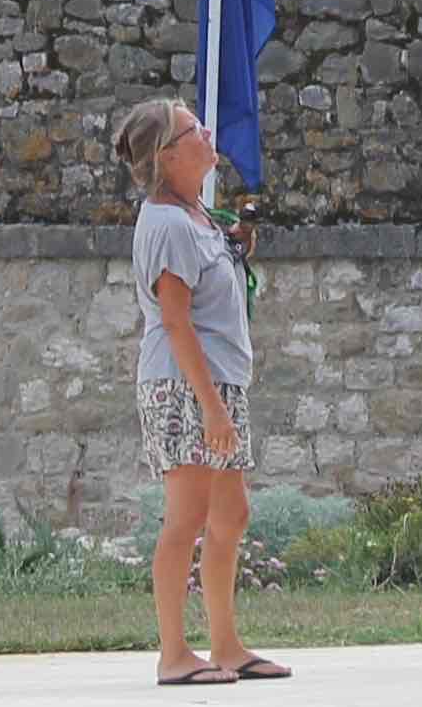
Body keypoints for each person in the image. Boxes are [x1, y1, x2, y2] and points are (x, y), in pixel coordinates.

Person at [116, 98, 287, 683]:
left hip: (216, 384)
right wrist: (212, 409)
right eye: (193, 130)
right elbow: (175, 321)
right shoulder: (167, 223)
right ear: (167, 156)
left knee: (231, 514)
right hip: (185, 385)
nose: (207, 133)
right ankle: (173, 654)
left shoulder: (194, 215)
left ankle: (226, 645)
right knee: (186, 517)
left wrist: (235, 243)